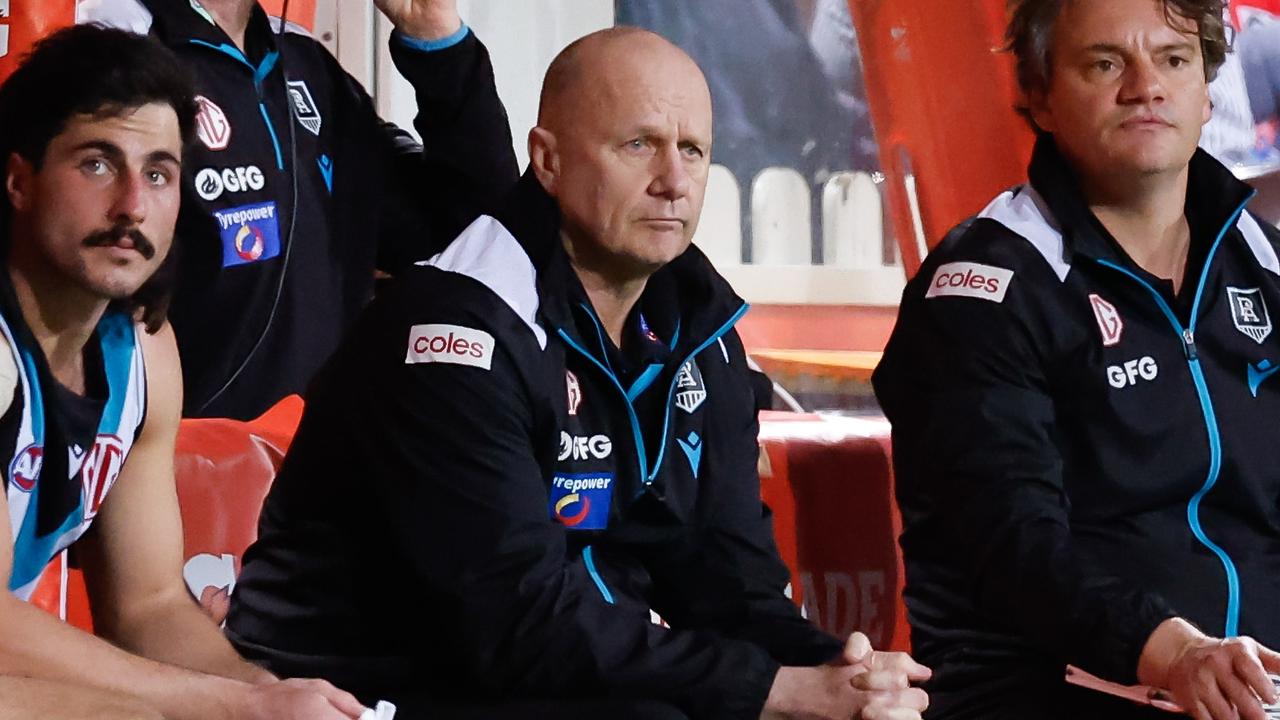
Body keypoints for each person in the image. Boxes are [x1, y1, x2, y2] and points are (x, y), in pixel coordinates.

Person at [226, 26, 931, 720]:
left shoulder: (701, 331)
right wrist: (772, 691)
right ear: (548, 160)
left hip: (539, 674)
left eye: (692, 150)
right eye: (639, 145)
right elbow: (515, 621)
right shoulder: (452, 333)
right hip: (349, 684)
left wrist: (840, 674)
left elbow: (731, 583)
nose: (673, 181)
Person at [872, 0, 1280, 718]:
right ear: (1038, 97)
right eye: (1105, 63)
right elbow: (1014, 547)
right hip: (1051, 695)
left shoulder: (1266, 267)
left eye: (1174, 59)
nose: (1145, 86)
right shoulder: (982, 290)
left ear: (1207, 87)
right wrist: (1176, 653)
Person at [0, 25, 371, 720]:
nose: (133, 206)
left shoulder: (142, 353)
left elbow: (148, 607)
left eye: (160, 173)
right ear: (19, 181)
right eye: (98, 164)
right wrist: (231, 706)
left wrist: (264, 691)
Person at [80, 0, 518, 420]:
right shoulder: (110, 42)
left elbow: (472, 232)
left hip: (313, 470)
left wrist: (437, 40)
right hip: (165, 468)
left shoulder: (302, 59)